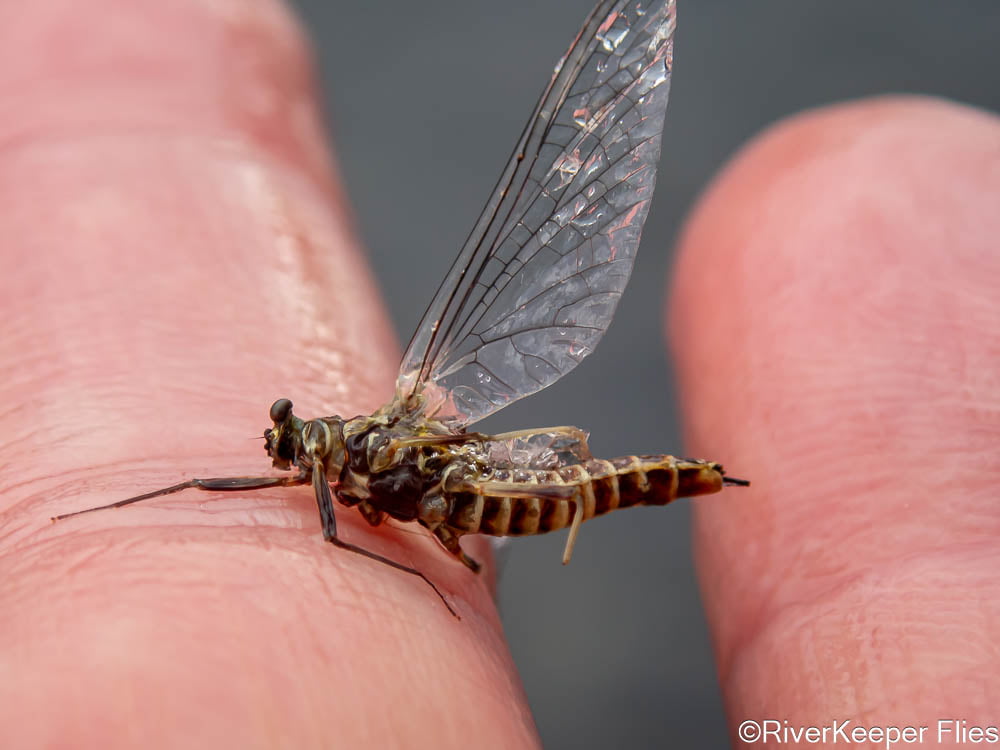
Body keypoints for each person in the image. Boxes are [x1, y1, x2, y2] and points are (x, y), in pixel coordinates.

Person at [3, 2, 997, 746]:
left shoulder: (366, 456)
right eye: (291, 439)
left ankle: (669, 479)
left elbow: (357, 535)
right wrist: (452, 565)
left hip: (502, 488)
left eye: (291, 440)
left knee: (578, 474)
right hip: (488, 493)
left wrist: (449, 566)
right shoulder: (351, 462)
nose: (288, 452)